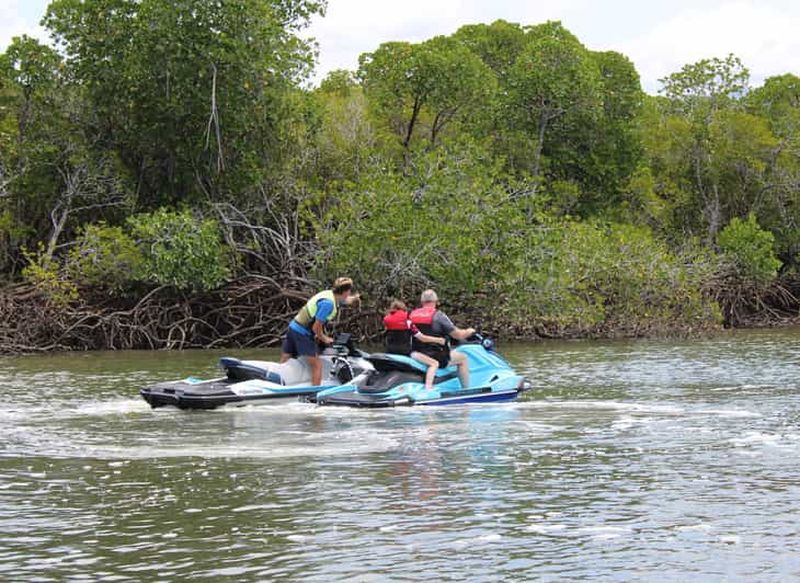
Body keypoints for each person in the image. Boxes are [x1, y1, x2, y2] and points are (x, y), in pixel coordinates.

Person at [281, 277, 360, 385]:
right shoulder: (328, 304)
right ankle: (314, 395)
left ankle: (279, 383)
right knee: (317, 365)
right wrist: (324, 338)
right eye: (349, 291)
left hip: (293, 328)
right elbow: (315, 327)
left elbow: (345, 299)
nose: (350, 293)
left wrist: (355, 298)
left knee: (285, 359)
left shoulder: (329, 294)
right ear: (345, 291)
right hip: (302, 334)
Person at [409, 289, 476, 389]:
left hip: (416, 353)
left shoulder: (411, 315)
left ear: (422, 302)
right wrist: (469, 331)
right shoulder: (439, 316)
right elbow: (458, 335)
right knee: (463, 358)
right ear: (436, 301)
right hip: (435, 355)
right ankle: (466, 388)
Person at [383, 300, 447, 390]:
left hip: (390, 352)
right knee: (434, 364)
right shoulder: (408, 322)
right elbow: (422, 338)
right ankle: (428, 388)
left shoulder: (387, 321)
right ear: (403, 309)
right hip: (407, 353)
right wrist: (439, 340)